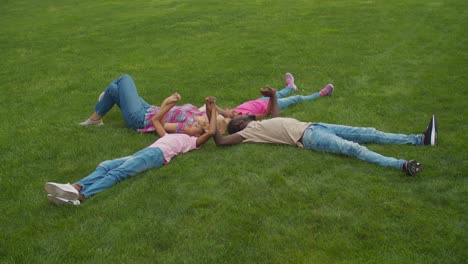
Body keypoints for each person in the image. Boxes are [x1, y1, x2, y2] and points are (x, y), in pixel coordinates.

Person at [213, 88, 438, 176]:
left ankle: (420, 139)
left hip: (315, 125)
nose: (242, 115)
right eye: (239, 118)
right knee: (353, 148)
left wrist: (272, 95)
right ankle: (402, 165)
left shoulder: (260, 125)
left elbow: (276, 116)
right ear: (239, 126)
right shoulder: (248, 133)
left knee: (368, 132)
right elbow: (221, 141)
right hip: (309, 137)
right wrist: (209, 110)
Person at [45, 94, 218, 205]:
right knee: (106, 165)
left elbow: (211, 131)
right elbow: (157, 121)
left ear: (199, 136)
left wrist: (212, 111)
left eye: (197, 125)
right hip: (146, 152)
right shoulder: (170, 136)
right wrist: (169, 104)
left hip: (156, 155)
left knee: (118, 173)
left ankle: (80, 198)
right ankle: (74, 187)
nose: (194, 123)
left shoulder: (193, 142)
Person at [79, 74, 207, 136]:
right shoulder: (199, 113)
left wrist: (166, 103)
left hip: (141, 119)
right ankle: (104, 103)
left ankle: (98, 113)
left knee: (125, 78)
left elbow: (161, 125)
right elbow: (213, 109)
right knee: (113, 88)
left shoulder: (190, 127)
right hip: (148, 108)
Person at [216, 72, 334, 119]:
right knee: (296, 99)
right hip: (271, 104)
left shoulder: (233, 112)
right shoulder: (244, 118)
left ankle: (290, 86)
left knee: (280, 93)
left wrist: (211, 105)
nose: (231, 110)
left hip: (260, 100)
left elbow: (221, 111)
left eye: (230, 111)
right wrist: (272, 99)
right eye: (231, 113)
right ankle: (320, 94)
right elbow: (264, 115)